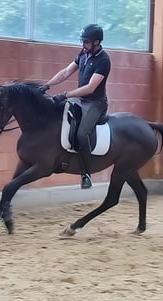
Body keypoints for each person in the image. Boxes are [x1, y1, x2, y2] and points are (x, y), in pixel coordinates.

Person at [42, 24, 111, 189]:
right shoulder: (83, 54)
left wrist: (64, 95)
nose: (83, 45)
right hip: (80, 100)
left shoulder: (103, 60)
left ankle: (86, 173)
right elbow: (65, 73)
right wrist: (46, 86)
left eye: (86, 42)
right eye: (82, 41)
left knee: (81, 134)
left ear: (96, 42)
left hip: (96, 103)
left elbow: (90, 88)